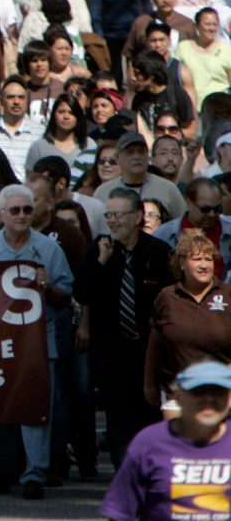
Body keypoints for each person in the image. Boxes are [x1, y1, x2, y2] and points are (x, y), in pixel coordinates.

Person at [0, 184, 73, 499]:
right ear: (0, 214)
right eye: (14, 210)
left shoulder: (50, 249)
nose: (22, 215)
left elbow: (66, 296)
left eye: (27, 209)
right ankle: (0, 469)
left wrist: (48, 286)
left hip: (39, 344)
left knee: (35, 409)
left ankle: (34, 474)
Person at [74, 188, 172, 468]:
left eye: (119, 214)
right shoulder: (99, 248)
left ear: (138, 216)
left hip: (148, 348)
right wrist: (101, 263)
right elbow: (82, 293)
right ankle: (125, 469)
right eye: (109, 215)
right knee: (118, 414)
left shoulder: (158, 252)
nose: (113, 221)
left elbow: (170, 300)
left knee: (148, 412)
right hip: (111, 347)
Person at [101, 359, 231, 521]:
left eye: (219, 391)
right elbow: (120, 511)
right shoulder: (150, 442)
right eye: (198, 391)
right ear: (178, 397)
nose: (209, 399)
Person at [144, 228, 231, 412]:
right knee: (176, 442)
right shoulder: (167, 297)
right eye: (197, 259)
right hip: (176, 393)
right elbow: (155, 344)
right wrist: (149, 385)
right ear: (182, 262)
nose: (204, 265)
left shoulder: (228, 295)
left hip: (222, 394)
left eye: (208, 259)